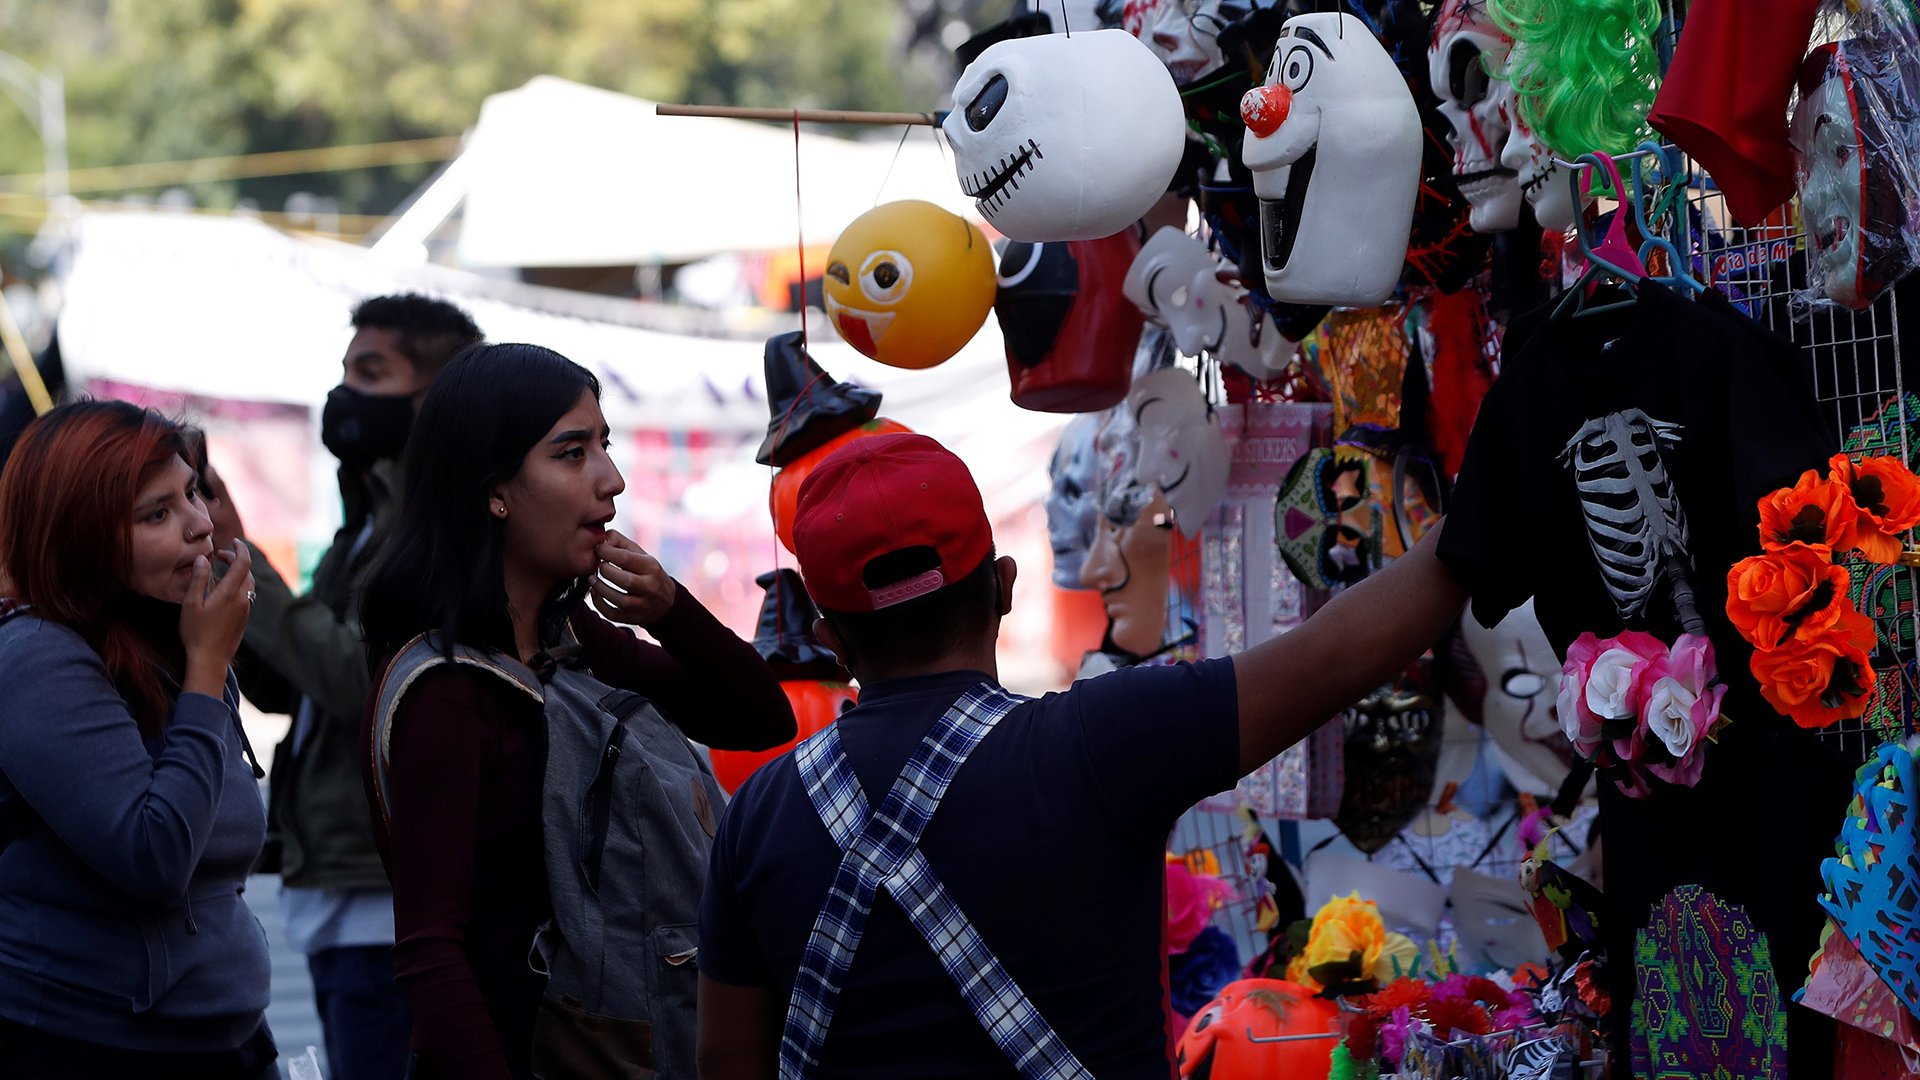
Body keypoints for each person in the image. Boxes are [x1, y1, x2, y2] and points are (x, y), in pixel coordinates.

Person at [695, 432, 1466, 1080]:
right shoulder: (1103, 740)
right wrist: (1491, 497)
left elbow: (726, 1064)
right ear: (1003, 586)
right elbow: (1336, 654)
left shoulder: (755, 816)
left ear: (830, 639)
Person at [358, 343, 796, 1080]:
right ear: (494, 491)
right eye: (572, 453)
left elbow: (761, 721)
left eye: (604, 444)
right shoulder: (447, 691)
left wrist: (673, 612)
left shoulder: (574, 641)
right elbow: (431, 953)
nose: (611, 479)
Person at [207, 294, 482, 1080]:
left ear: (433, 397)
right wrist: (228, 572)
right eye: (346, 371)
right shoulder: (363, 524)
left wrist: (247, 564)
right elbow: (290, 688)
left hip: (380, 899)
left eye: (371, 372)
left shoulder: (435, 533)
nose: (345, 395)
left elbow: (366, 685)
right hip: (338, 889)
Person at [0, 401, 270, 1078]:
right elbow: (153, 857)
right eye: (156, 515)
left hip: (223, 1034)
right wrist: (208, 667)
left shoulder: (159, 637)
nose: (200, 524)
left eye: (193, 493)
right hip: (92, 1042)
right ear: (82, 537)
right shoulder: (36, 655)